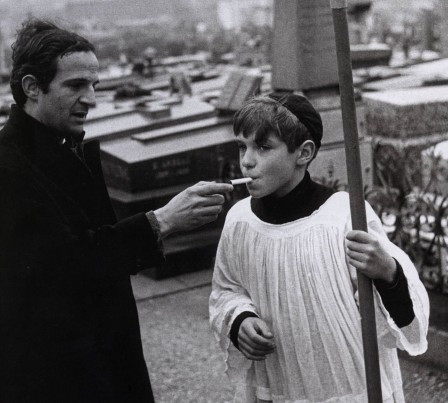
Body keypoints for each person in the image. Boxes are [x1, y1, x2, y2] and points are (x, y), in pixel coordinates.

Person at [0, 18, 233, 403]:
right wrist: (163, 221)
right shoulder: (8, 169)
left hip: (97, 357)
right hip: (60, 377)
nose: (91, 98)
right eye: (76, 85)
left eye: (95, 85)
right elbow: (65, 265)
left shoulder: (59, 148)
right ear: (31, 87)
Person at [209, 93, 429, 403]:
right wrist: (240, 320)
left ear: (303, 152)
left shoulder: (343, 216)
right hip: (278, 383)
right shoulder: (240, 221)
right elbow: (226, 290)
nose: (246, 160)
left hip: (345, 384)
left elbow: (403, 320)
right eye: (243, 146)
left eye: (263, 147)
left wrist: (388, 273)